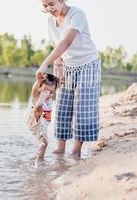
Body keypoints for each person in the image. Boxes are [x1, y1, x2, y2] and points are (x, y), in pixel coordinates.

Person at [38, 0, 101, 158]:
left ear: (61, 0)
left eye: (51, 3)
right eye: (45, 6)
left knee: (82, 107)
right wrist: (57, 69)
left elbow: (66, 42)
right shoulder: (50, 21)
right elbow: (57, 45)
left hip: (88, 64)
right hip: (66, 65)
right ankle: (60, 148)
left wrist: (44, 63)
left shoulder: (77, 14)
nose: (49, 8)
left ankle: (76, 150)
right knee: (62, 105)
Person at [26, 73, 60, 161]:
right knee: (44, 142)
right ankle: (38, 159)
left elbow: (57, 85)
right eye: (45, 90)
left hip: (42, 123)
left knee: (44, 143)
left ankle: (38, 158)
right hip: (34, 119)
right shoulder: (36, 95)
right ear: (40, 88)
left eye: (50, 92)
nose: (48, 94)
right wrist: (38, 81)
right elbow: (35, 89)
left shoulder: (50, 95)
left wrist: (61, 80)